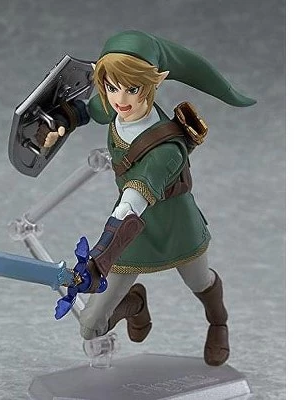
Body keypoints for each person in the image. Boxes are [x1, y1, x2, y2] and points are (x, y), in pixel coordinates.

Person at [43, 31, 255, 366]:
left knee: (200, 281)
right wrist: (58, 121)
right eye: (111, 87)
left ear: (154, 81)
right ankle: (134, 304)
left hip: (173, 225)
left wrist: (100, 258)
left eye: (132, 88)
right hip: (132, 234)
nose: (120, 99)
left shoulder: (166, 149)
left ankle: (219, 322)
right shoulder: (114, 104)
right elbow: (89, 111)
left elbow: (133, 199)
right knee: (90, 326)